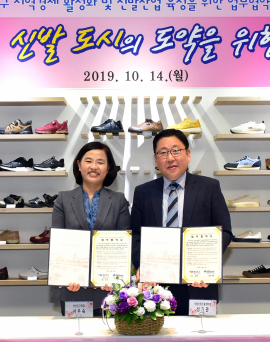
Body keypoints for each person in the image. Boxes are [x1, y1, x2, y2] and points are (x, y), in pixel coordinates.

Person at [130, 129, 232, 315]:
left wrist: (206, 265)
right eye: (163, 152)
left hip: (199, 284)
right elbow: (135, 234)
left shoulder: (209, 187)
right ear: (156, 159)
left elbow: (225, 231)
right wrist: (142, 265)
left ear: (188, 154)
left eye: (176, 151)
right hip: (154, 287)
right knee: (155, 334)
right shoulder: (143, 192)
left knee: (200, 333)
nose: (170, 158)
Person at [52, 142, 131, 316]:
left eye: (100, 162)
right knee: (75, 333)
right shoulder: (63, 199)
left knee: (109, 333)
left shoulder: (118, 201)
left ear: (108, 168)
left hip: (108, 289)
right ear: (79, 165)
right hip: (72, 286)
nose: (94, 166)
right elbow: (57, 244)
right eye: (88, 161)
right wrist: (64, 276)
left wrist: (115, 278)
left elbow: (124, 247)